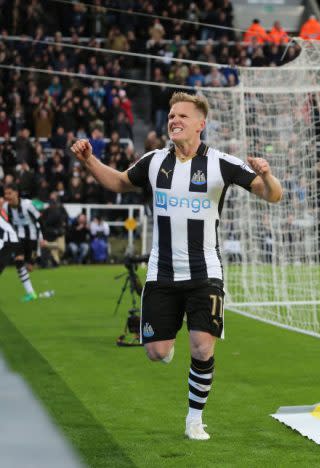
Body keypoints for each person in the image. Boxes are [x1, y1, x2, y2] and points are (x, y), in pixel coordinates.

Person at [70, 92, 282, 440]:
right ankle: (164, 345)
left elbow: (272, 195)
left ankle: (194, 419)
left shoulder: (220, 163)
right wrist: (89, 161)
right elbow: (119, 182)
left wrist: (268, 175)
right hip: (162, 273)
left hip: (205, 273)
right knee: (157, 352)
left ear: (201, 124)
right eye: (171, 115)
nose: (174, 120)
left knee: (202, 346)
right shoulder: (154, 161)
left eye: (183, 115)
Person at [2, 184, 45, 301]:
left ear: (16, 193)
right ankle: (31, 293)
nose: (7, 196)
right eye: (5, 194)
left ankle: (32, 263)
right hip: (18, 238)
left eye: (9, 193)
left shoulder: (28, 205)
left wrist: (42, 238)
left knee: (30, 266)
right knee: (19, 262)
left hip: (32, 240)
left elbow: (40, 221)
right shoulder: (6, 207)